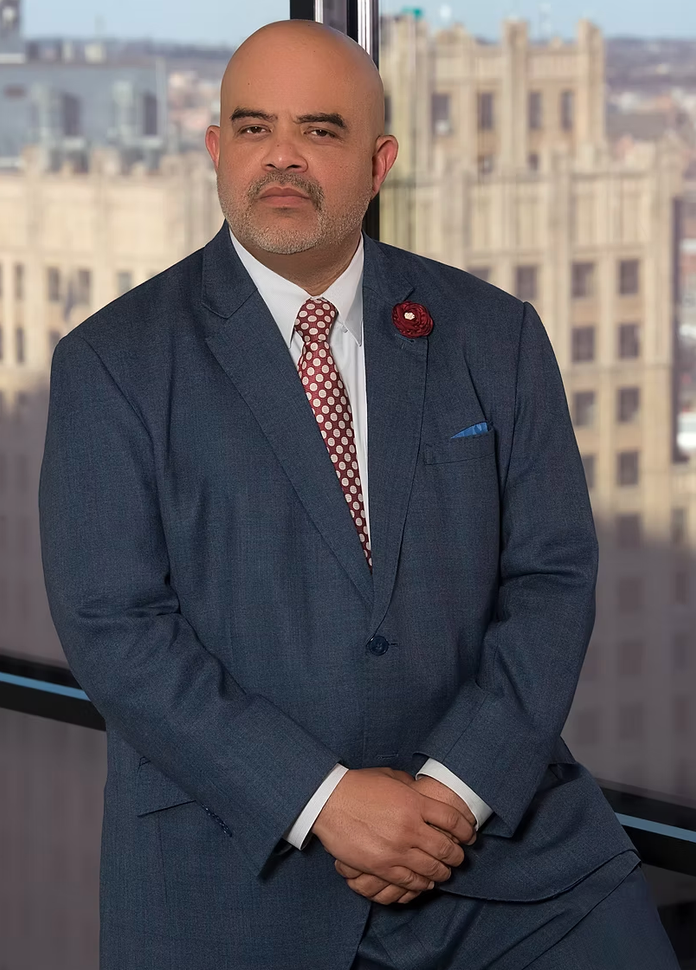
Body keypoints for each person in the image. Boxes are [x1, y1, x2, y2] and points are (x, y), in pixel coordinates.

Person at [38, 18, 680, 970]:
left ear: (378, 162)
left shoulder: (494, 334)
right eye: (254, 129)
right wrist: (323, 798)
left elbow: (552, 575)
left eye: (322, 131)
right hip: (239, 874)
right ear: (217, 150)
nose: (283, 158)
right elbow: (117, 628)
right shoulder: (114, 362)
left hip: (508, 861)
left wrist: (457, 791)